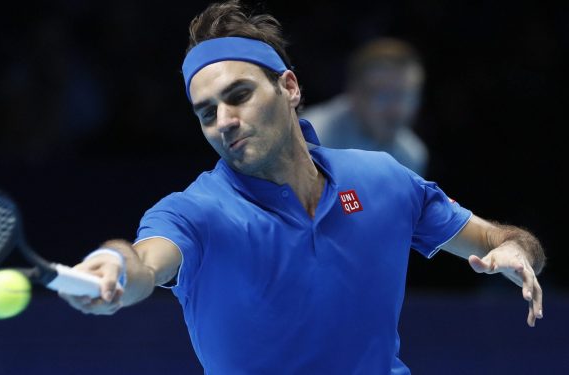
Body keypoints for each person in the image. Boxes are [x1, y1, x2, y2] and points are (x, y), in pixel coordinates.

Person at [60, 1, 545, 373]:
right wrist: (117, 264)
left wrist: (517, 251)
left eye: (240, 95)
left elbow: (496, 240)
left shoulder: (381, 178)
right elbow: (146, 261)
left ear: (289, 88)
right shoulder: (194, 212)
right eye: (207, 113)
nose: (225, 121)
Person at [301, 37, 429, 176]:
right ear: (354, 93)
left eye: (407, 96)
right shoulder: (309, 140)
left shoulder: (412, 156)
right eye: (384, 95)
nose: (397, 110)